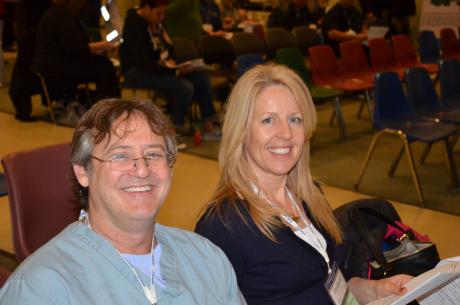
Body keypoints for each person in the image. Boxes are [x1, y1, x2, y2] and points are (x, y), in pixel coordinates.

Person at [195, 64, 411, 305]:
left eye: (295, 119)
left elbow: (329, 283)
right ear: (242, 131)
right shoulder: (223, 226)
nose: (286, 133)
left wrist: (375, 290)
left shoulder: (309, 197)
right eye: (268, 120)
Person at [0, 98, 247, 305]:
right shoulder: (40, 291)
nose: (141, 170)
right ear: (83, 172)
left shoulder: (207, 259)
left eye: (153, 154)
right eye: (120, 156)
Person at [120, 0, 220, 137]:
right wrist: (175, 71)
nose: (161, 18)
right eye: (158, 14)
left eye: (163, 14)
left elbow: (168, 49)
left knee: (200, 79)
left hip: (159, 67)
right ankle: (171, 131)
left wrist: (170, 58)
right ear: (147, 8)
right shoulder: (133, 25)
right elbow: (144, 62)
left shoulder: (157, 24)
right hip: (136, 71)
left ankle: (209, 123)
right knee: (183, 86)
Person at [33, 0, 121, 104]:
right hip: (56, 66)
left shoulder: (58, 13)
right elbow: (76, 49)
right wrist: (103, 45)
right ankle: (108, 108)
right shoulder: (62, 16)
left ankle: (104, 104)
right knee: (105, 67)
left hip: (55, 62)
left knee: (103, 64)